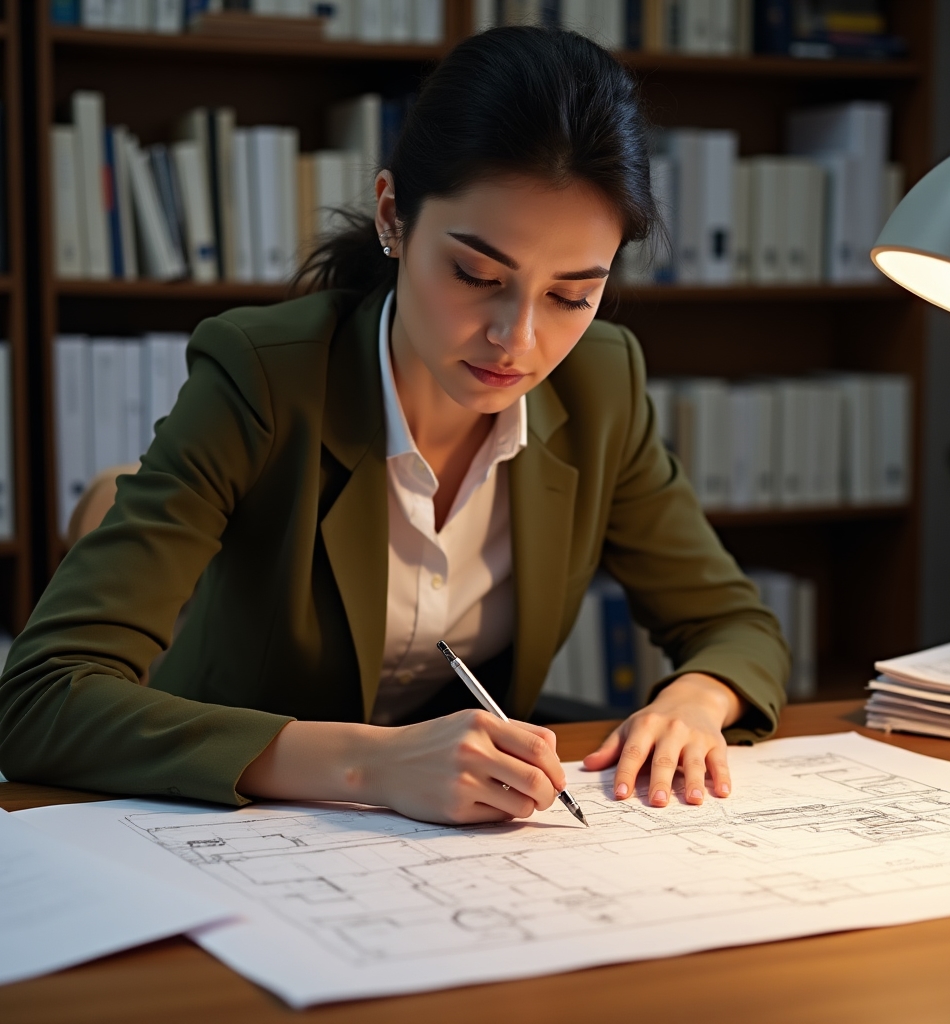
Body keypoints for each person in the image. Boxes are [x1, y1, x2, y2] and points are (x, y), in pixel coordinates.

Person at [0, 27, 788, 825]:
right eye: (476, 275)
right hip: (231, 828)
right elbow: (42, 697)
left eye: (572, 295)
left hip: (457, 854)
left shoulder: (600, 383)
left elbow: (733, 624)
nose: (518, 341)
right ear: (393, 217)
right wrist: (372, 764)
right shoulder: (264, 377)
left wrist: (696, 700)